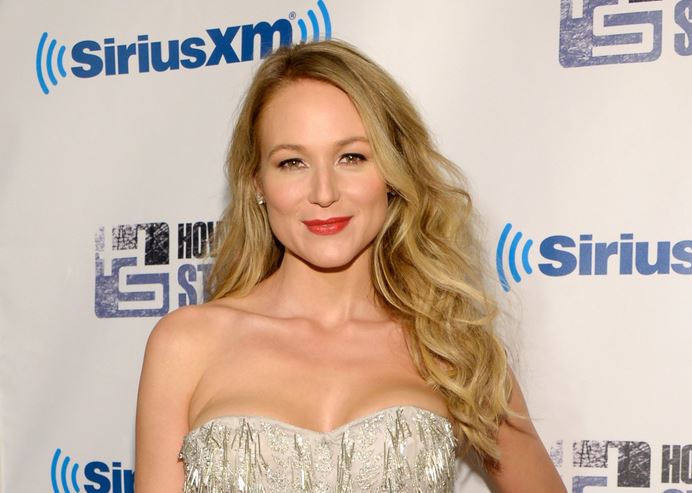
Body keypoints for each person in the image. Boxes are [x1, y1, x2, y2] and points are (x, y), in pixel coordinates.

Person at [134, 39, 566, 492]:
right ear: (257, 182)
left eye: (352, 157)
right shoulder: (186, 344)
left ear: (393, 173)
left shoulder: (451, 347)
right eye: (292, 162)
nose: (324, 192)